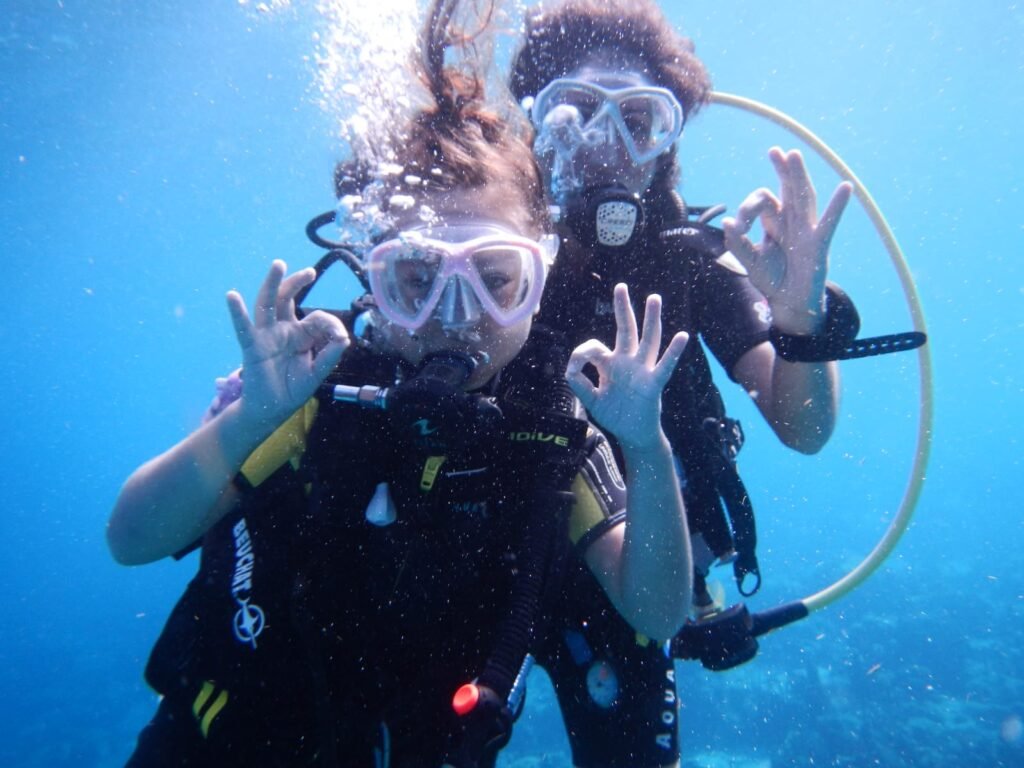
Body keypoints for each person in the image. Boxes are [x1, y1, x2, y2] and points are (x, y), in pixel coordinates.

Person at [108, 1, 694, 764]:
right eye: (416, 280)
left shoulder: (555, 427)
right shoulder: (313, 393)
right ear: (372, 280)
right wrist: (250, 418)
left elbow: (657, 611)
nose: (457, 316)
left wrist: (646, 448)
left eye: (495, 279)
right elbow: (131, 539)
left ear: (542, 275)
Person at [507, 1, 855, 766]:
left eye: (639, 119)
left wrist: (800, 322)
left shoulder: (696, 263)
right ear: (535, 126)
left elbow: (804, 427)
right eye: (574, 114)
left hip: (644, 578)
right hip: (485, 563)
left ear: (668, 140)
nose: (607, 144)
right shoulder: (491, 260)